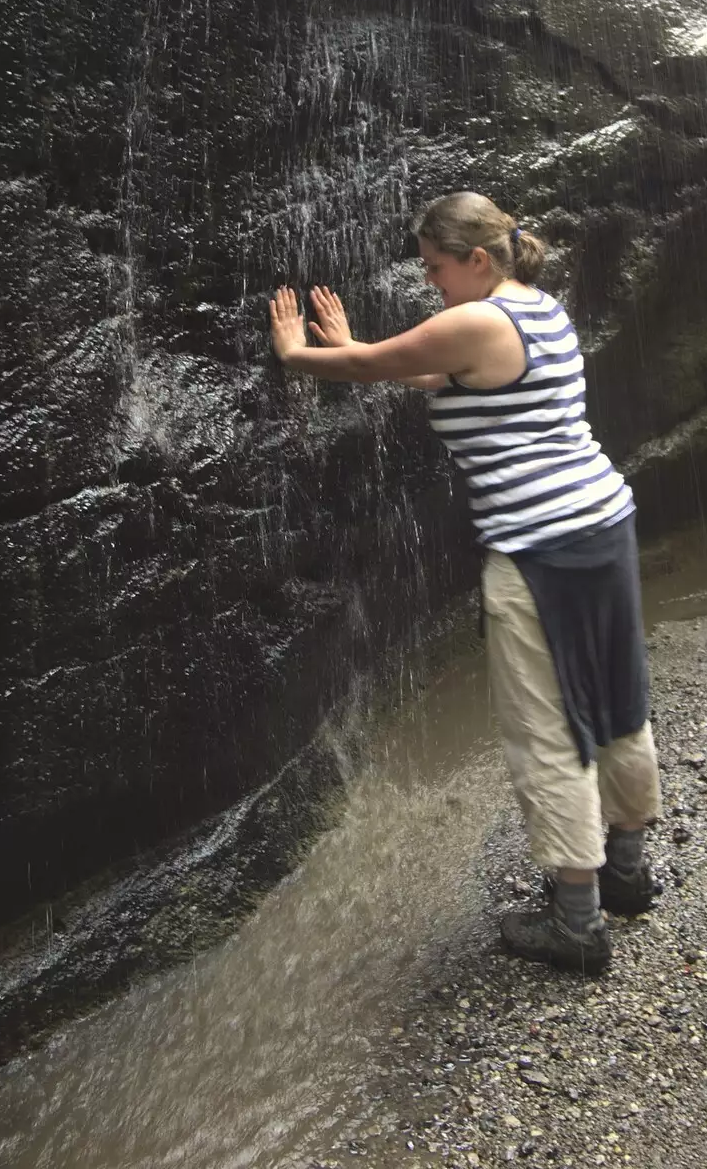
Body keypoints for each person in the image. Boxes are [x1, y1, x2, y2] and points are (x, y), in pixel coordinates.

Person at [269, 191, 662, 972]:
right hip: (602, 525)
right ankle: (626, 874)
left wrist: (298, 353)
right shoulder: (536, 309)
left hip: (540, 550)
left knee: (544, 722)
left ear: (475, 259)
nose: (431, 283)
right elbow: (441, 373)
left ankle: (577, 923)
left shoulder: (473, 320)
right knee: (616, 694)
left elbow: (378, 364)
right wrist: (355, 344)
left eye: (435, 268)